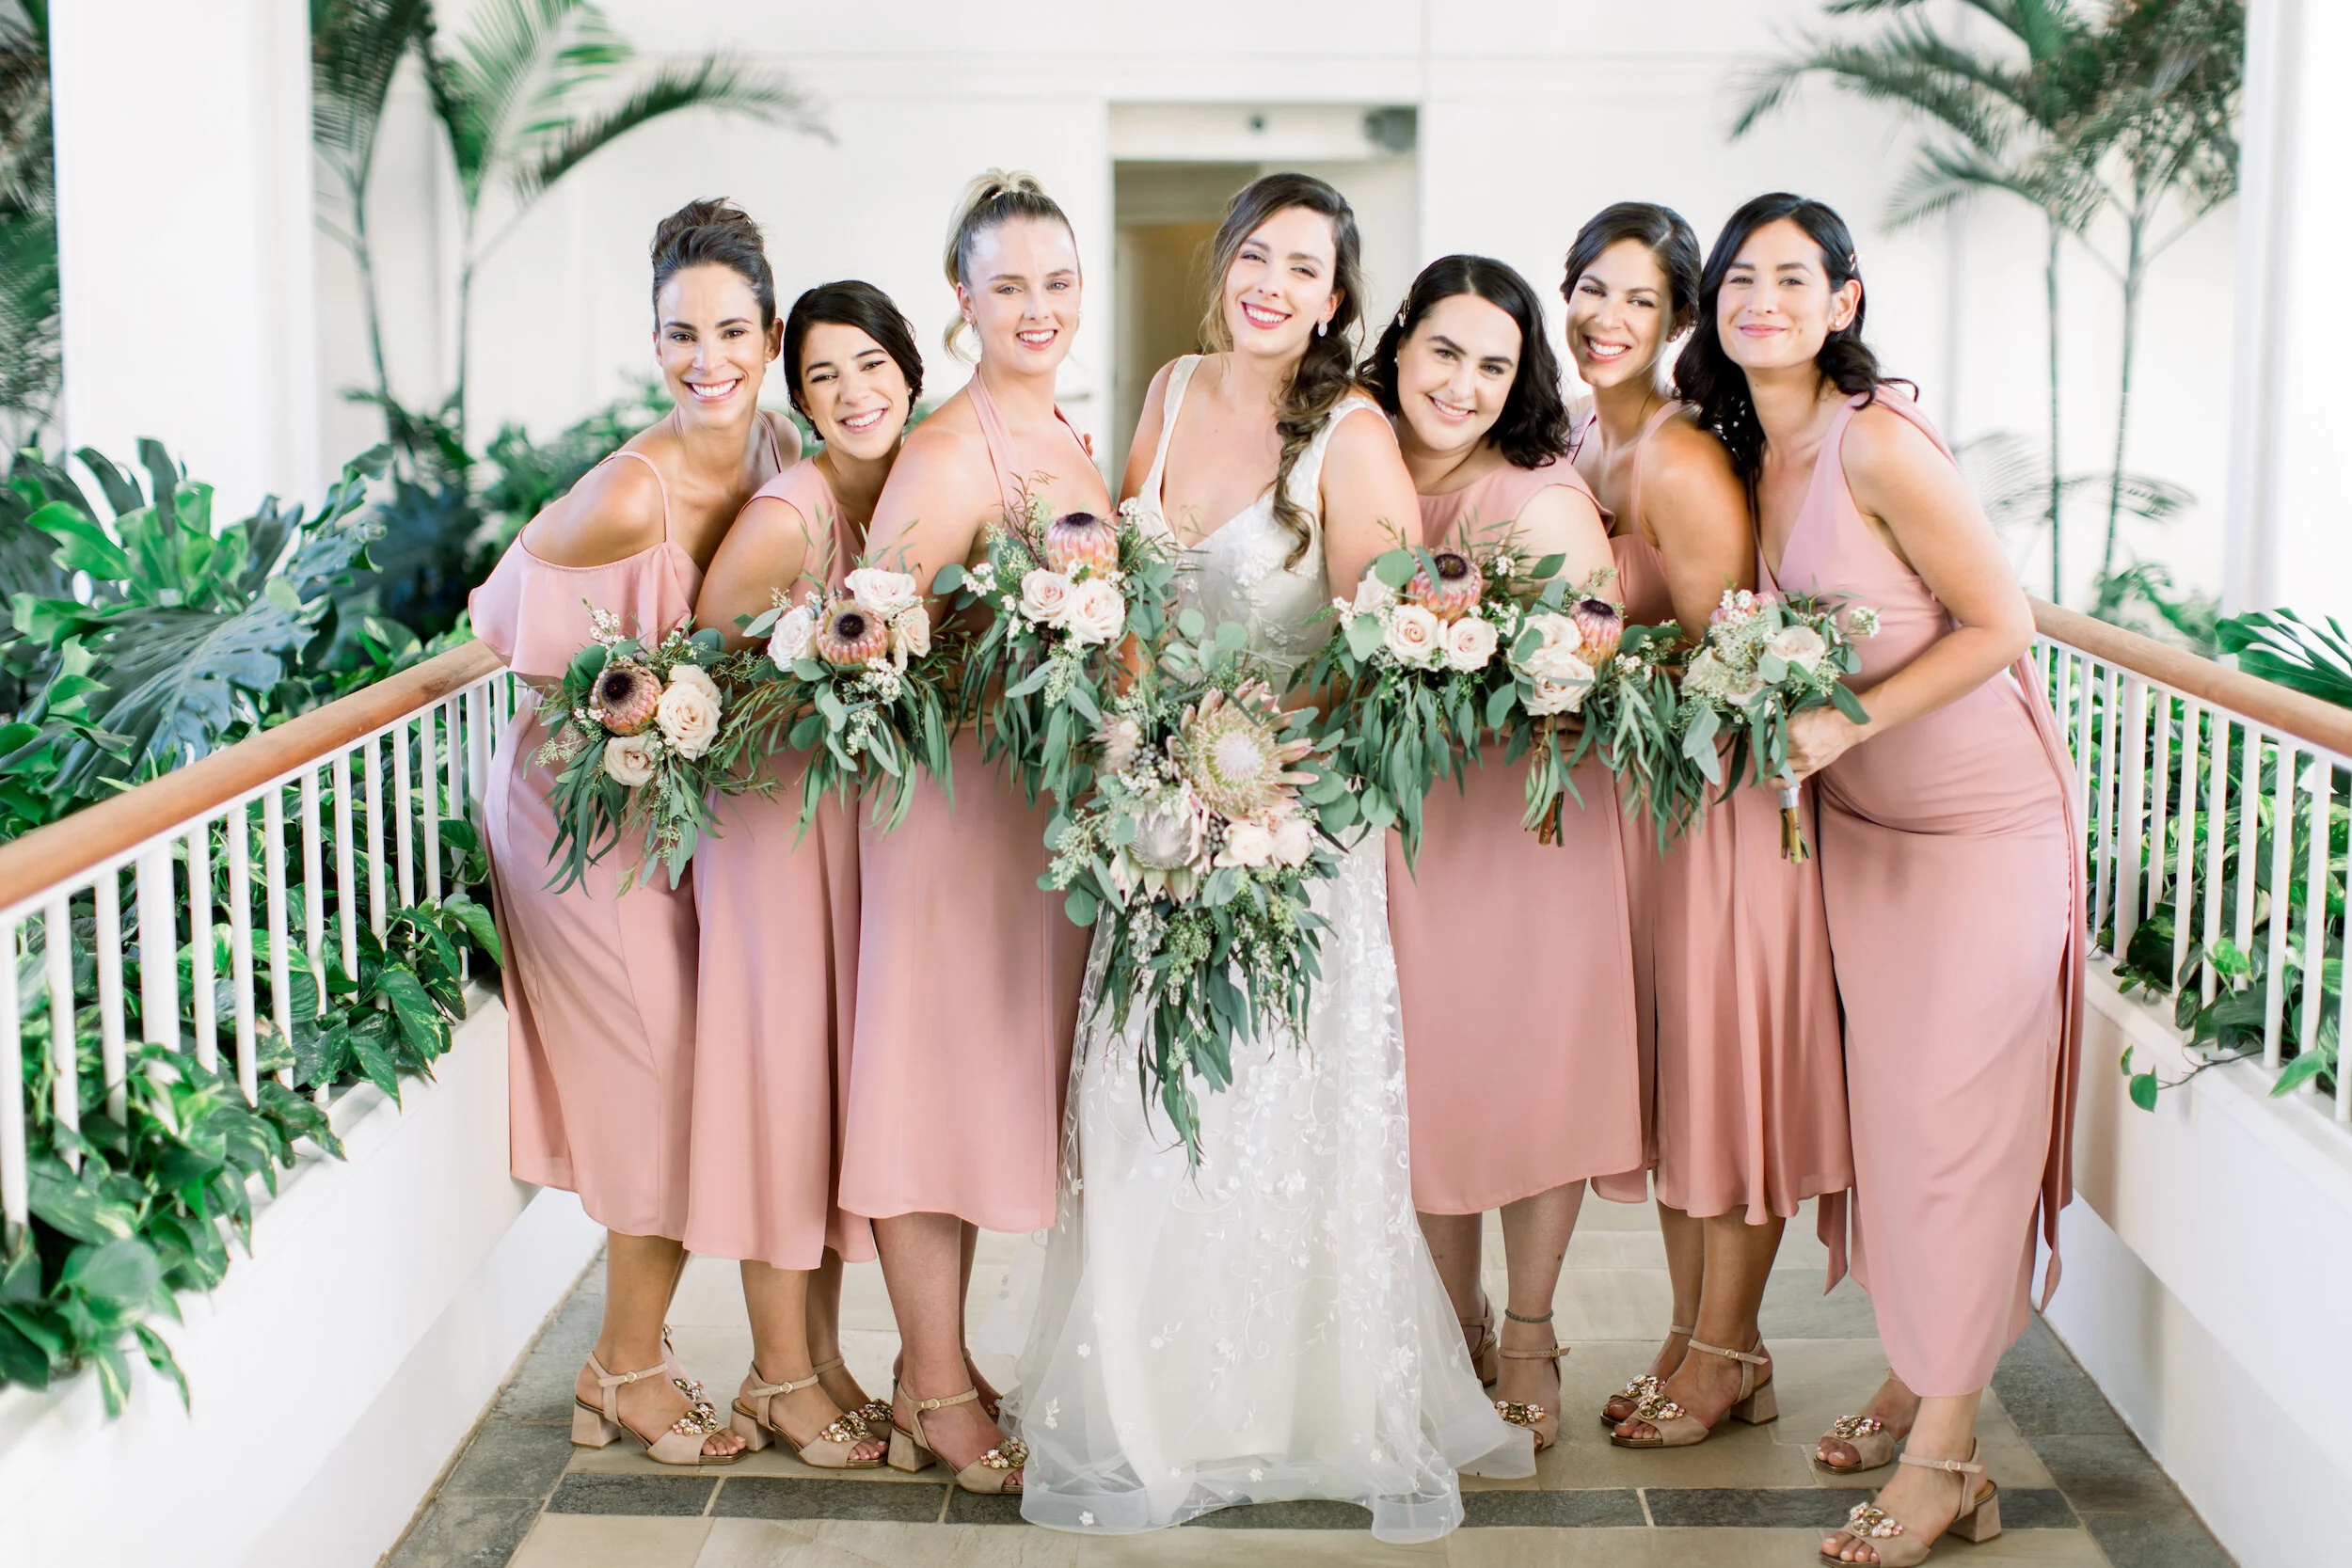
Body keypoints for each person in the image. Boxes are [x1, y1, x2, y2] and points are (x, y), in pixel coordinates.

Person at [1011, 172, 1534, 1544]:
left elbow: (1381, 657)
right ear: (1225, 264)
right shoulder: (1173, 389)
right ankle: (1153, 1402)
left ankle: (1290, 1405)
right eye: (1257, 254)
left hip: (1294, 827)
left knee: (1274, 1113)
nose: (1273, 283)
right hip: (1159, 817)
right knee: (1146, 1100)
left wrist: (1249, 774)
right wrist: (1141, 754)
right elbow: (1127, 595)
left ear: (1335, 299)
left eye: (1306, 268)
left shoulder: (1351, 436)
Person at [1682, 192, 2082, 1564]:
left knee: (1958, 1133)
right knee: (1900, 1129)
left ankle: (1947, 1456)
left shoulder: (1880, 441)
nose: (1762, 300)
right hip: (1862, 834)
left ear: (1844, 301)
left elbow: (2001, 622)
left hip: (1980, 830)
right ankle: (1918, 1372)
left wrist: (1849, 720)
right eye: (1740, 277)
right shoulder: (1749, 449)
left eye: (1794, 278)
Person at [470, 199, 796, 1466]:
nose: (705, 360)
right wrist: (631, 712)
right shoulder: (624, 492)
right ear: (653, 342)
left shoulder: (780, 449)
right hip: (576, 814)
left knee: (703, 1064)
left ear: (771, 336)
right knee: (667, 1071)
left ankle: (626, 1360)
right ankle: (626, 1366)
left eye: (730, 331)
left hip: (679, 810)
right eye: (679, 334)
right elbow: (498, 618)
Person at [1562, 202, 1853, 1451]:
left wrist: (1575, 667)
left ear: (1679, 320)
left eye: (1639, 299)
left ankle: (1727, 1346)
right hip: (1653, 814)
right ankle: (1700, 1341)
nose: (1607, 317)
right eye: (1591, 287)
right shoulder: (1587, 436)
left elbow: (1722, 658)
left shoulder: (1676, 456)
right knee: (1683, 1088)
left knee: (1728, 1084)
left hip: (1722, 809)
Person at [844, 171, 1108, 1497]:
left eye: (1056, 281)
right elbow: (873, 650)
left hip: (1032, 820)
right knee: (926, 1089)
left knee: (984, 1090)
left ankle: (930, 1366)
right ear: (964, 298)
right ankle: (936, 1383)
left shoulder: (1067, 433)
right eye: (1009, 285)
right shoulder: (948, 453)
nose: (1037, 306)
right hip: (949, 816)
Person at [1365, 253, 1642, 1456]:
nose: (1463, 384)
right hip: (1404, 825)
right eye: (1443, 351)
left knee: (1533, 1075)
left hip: (1527, 824)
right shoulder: (1354, 462)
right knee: (1425, 1077)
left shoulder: (1539, 496)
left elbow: (1587, 663)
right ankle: (1450, 1323)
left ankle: (1528, 1327)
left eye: (1493, 363)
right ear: (1399, 344)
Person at [687, 280, 927, 1468]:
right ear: (803, 399)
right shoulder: (791, 514)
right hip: (768, 832)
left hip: (842, 831)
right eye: (823, 376)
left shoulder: (911, 490)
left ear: (911, 373)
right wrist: (814, 680)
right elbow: (701, 652)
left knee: (824, 1096)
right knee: (780, 1094)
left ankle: (819, 1358)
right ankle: (778, 1371)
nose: (853, 391)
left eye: (871, 364)